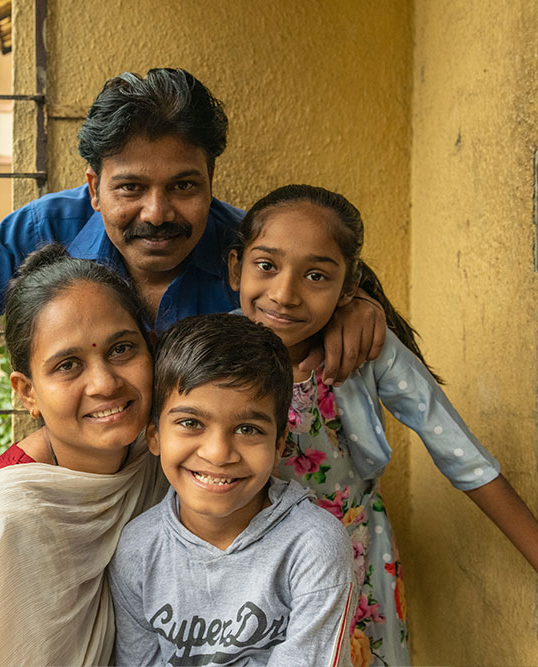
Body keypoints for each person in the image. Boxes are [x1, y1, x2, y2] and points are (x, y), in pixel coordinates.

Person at [0, 65, 385, 386]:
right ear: (93, 187)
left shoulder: (258, 258)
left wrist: (352, 309)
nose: (157, 213)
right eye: (129, 188)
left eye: (183, 187)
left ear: (210, 180)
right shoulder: (45, 229)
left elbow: (316, 290)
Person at [227, 183, 538, 666]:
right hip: (252, 564)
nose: (284, 294)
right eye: (266, 266)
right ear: (235, 268)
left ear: (348, 288)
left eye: (316, 276)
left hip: (355, 561)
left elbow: (462, 455)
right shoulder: (210, 355)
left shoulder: (368, 352)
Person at [0, 244, 167, 666]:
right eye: (68, 365)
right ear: (27, 391)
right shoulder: (12, 522)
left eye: (122, 349)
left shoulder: (162, 457)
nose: (104, 383)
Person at [110, 313, 356, 666]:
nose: (218, 453)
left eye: (248, 429)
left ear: (279, 445)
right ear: (154, 436)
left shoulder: (312, 544)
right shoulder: (137, 550)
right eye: (191, 423)